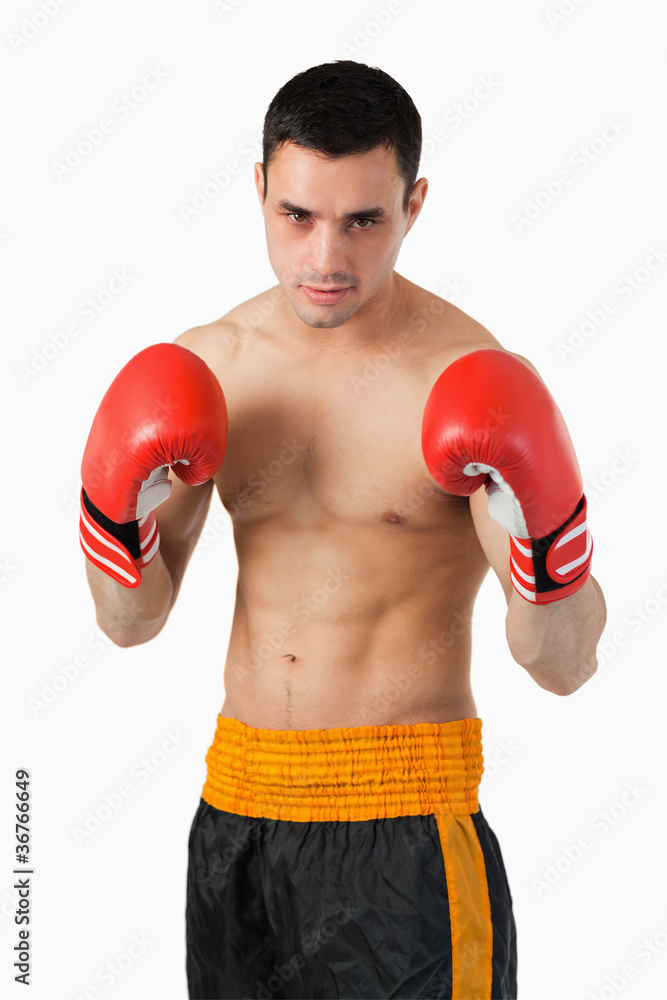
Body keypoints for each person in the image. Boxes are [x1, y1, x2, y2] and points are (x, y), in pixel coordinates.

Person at [79, 60, 607, 1000]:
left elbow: (562, 665)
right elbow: (131, 624)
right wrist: (114, 517)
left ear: (414, 204)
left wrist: (545, 536)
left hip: (403, 832)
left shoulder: (470, 380)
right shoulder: (211, 370)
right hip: (234, 816)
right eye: (297, 217)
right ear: (258, 191)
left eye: (364, 220)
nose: (326, 257)